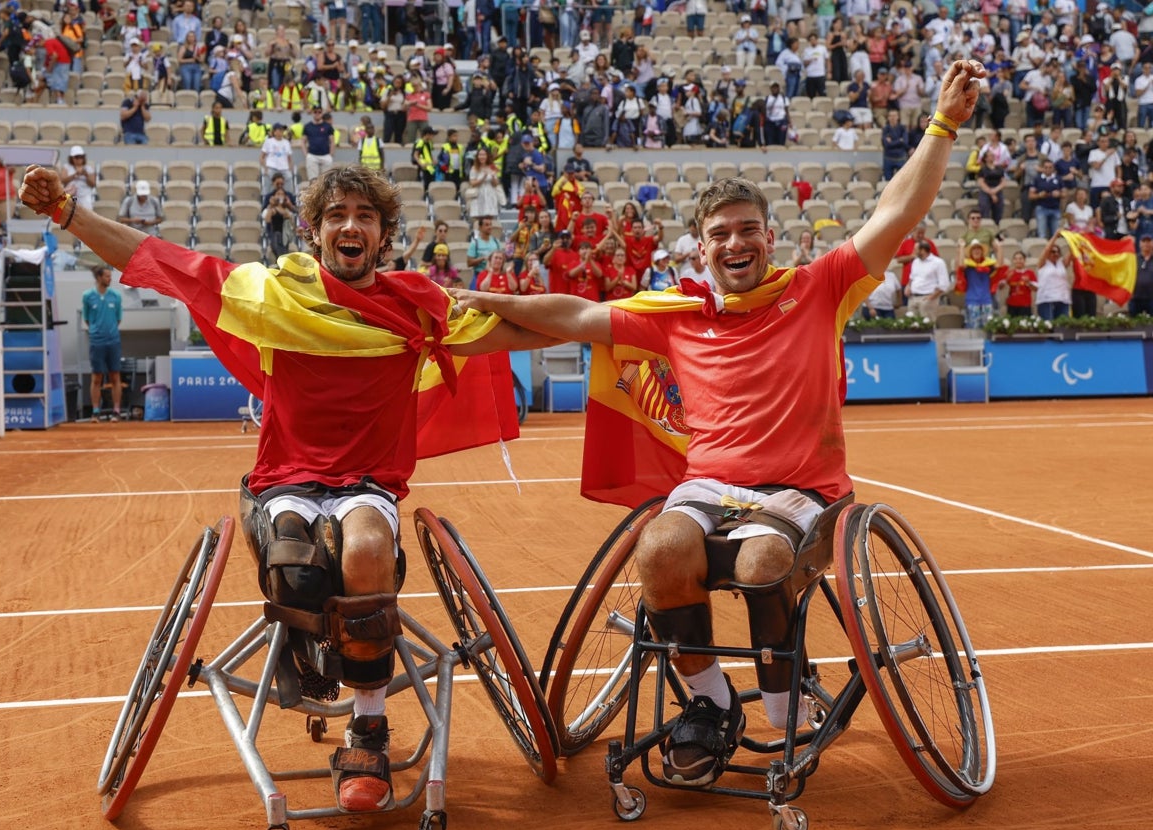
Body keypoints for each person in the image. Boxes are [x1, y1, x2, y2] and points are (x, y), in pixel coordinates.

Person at [449, 60, 986, 788]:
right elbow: (571, 316)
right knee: (661, 547)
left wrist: (944, 124)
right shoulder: (677, 317)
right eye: (719, 235)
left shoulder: (818, 288)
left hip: (805, 491)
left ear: (770, 237)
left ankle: (778, 698)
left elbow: (897, 210)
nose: (735, 244)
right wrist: (465, 301)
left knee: (765, 561)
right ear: (699, 249)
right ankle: (707, 706)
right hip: (711, 487)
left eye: (747, 231)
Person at [18, 160, 545, 815]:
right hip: (286, 481)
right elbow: (162, 260)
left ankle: (368, 729)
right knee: (295, 560)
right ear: (313, 231)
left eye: (365, 217)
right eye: (336, 216)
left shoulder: (418, 305)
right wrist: (71, 215)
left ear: (384, 236)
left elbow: (517, 327)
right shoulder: (274, 294)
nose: (350, 226)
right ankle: (314, 650)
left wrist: (631, 326)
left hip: (366, 485)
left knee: (364, 551)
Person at [81, 265, 124, 421]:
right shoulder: (87, 296)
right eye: (107, 276)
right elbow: (86, 318)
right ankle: (96, 411)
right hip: (96, 341)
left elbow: (118, 319)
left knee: (115, 376)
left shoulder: (116, 296)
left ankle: (117, 411)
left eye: (110, 276)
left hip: (113, 341)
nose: (109, 279)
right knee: (96, 377)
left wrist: (110, 330)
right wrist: (96, 330)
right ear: (99, 278)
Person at [1035, 236, 1072, 320]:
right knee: (1049, 327)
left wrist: (1076, 239)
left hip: (1063, 299)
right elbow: (1046, 248)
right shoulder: (1042, 263)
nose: (1056, 254)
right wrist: (1056, 235)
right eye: (1053, 252)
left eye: (1058, 252)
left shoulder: (1061, 263)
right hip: (1046, 299)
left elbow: (1072, 251)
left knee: (1062, 327)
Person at [262, 173, 298, 259]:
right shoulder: (270, 202)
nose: (280, 186)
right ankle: (282, 260)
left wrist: (288, 205)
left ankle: (281, 261)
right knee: (277, 236)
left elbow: (294, 216)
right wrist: (271, 205)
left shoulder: (288, 202)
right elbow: (267, 219)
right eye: (277, 184)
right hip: (274, 233)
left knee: (281, 238)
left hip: (286, 234)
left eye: (281, 184)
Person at [301, 106, 336, 182]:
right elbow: (303, 141)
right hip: (312, 155)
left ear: (322, 113)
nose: (317, 114)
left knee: (327, 181)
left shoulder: (328, 126)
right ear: (312, 113)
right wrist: (306, 154)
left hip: (326, 155)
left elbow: (332, 141)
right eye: (315, 112)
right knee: (313, 180)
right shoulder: (307, 126)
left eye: (319, 112)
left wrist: (331, 154)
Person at [999, 250, 1037, 316]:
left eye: (1020, 259)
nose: (1018, 261)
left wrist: (1028, 283)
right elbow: (1000, 287)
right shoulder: (1008, 273)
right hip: (1011, 305)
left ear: (1025, 260)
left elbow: (1036, 289)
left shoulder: (1030, 273)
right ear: (1013, 261)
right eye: (1015, 259)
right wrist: (1006, 279)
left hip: (1025, 305)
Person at [1132, 234, 1153, 316]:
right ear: (1139, 244)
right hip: (1136, 298)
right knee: (1133, 325)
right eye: (1144, 241)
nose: (1146, 244)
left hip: (1151, 298)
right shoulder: (1134, 259)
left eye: (1148, 241)